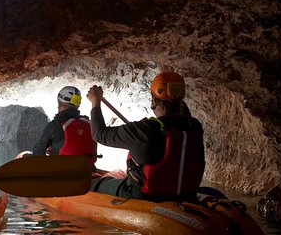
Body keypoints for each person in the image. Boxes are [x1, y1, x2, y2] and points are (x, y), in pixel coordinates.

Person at [85, 71, 205, 201]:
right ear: (180, 98)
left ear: (153, 100)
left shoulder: (143, 130)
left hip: (143, 195)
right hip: (186, 194)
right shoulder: (194, 126)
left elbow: (99, 134)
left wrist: (95, 102)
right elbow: (183, 113)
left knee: (95, 184)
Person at [26, 86, 98, 166]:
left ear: (59, 103)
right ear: (77, 105)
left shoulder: (55, 126)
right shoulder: (89, 123)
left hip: (63, 172)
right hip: (87, 170)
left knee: (25, 156)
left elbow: (37, 153)